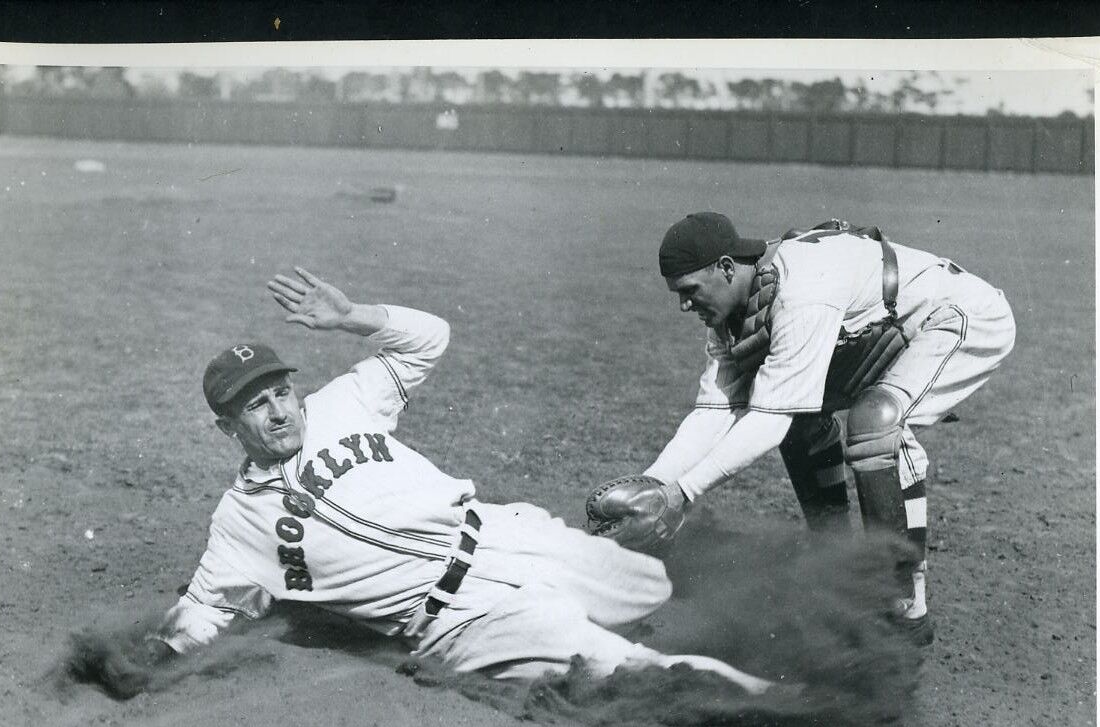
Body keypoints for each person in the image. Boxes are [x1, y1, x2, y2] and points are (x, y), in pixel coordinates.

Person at [109, 268, 771, 697]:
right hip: (464, 619)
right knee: (633, 672)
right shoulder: (236, 526)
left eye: (282, 390)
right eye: (257, 405)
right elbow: (205, 610)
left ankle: (812, 614)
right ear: (227, 427)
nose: (281, 410)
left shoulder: (344, 402)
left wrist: (351, 318)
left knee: (667, 583)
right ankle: (805, 705)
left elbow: (429, 338)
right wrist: (156, 649)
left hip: (509, 538)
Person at [597, 213, 1015, 644]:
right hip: (887, 329)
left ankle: (903, 602)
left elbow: (767, 423)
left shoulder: (801, 292)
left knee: (878, 423)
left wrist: (680, 495)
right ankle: (836, 564)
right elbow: (712, 412)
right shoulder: (734, 313)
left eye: (689, 292)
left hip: (961, 316)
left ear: (725, 268)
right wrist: (652, 484)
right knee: (798, 410)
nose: (684, 305)